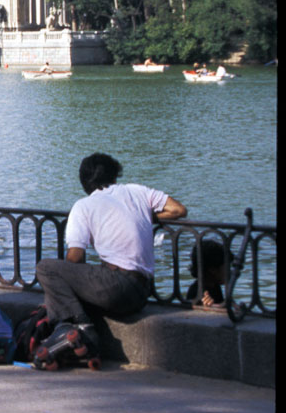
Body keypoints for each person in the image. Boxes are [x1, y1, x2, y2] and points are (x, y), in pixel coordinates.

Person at [33, 153, 187, 359]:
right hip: (142, 292)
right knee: (71, 294)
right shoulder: (137, 192)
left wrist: (69, 281)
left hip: (117, 288)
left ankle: (81, 330)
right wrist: (142, 215)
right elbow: (178, 209)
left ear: (84, 183)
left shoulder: (83, 206)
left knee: (46, 268)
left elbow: (75, 259)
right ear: (115, 177)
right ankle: (69, 335)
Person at [187, 239, 230, 307]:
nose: (229, 271)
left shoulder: (214, 286)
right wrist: (207, 306)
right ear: (213, 270)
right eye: (226, 267)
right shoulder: (197, 292)